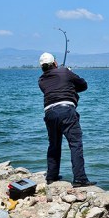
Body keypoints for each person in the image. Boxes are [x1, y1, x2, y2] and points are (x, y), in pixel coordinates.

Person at [38, 52, 96, 187]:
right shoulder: (65, 72)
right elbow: (83, 85)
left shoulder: (41, 80)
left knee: (54, 145)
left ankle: (51, 177)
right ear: (55, 63)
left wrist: (65, 75)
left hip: (49, 113)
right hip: (66, 111)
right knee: (75, 144)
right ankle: (79, 179)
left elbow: (54, 87)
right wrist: (69, 73)